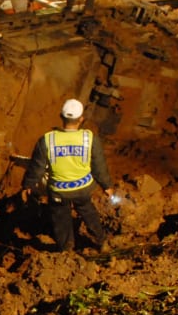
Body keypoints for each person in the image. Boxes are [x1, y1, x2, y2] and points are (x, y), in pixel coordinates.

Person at [21, 98, 114, 252]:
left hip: (59, 192)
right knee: (88, 212)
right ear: (81, 119)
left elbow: (36, 168)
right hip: (82, 189)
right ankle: (101, 240)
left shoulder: (47, 140)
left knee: (61, 219)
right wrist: (107, 186)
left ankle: (67, 249)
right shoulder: (89, 138)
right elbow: (99, 166)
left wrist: (28, 185)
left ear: (61, 116)